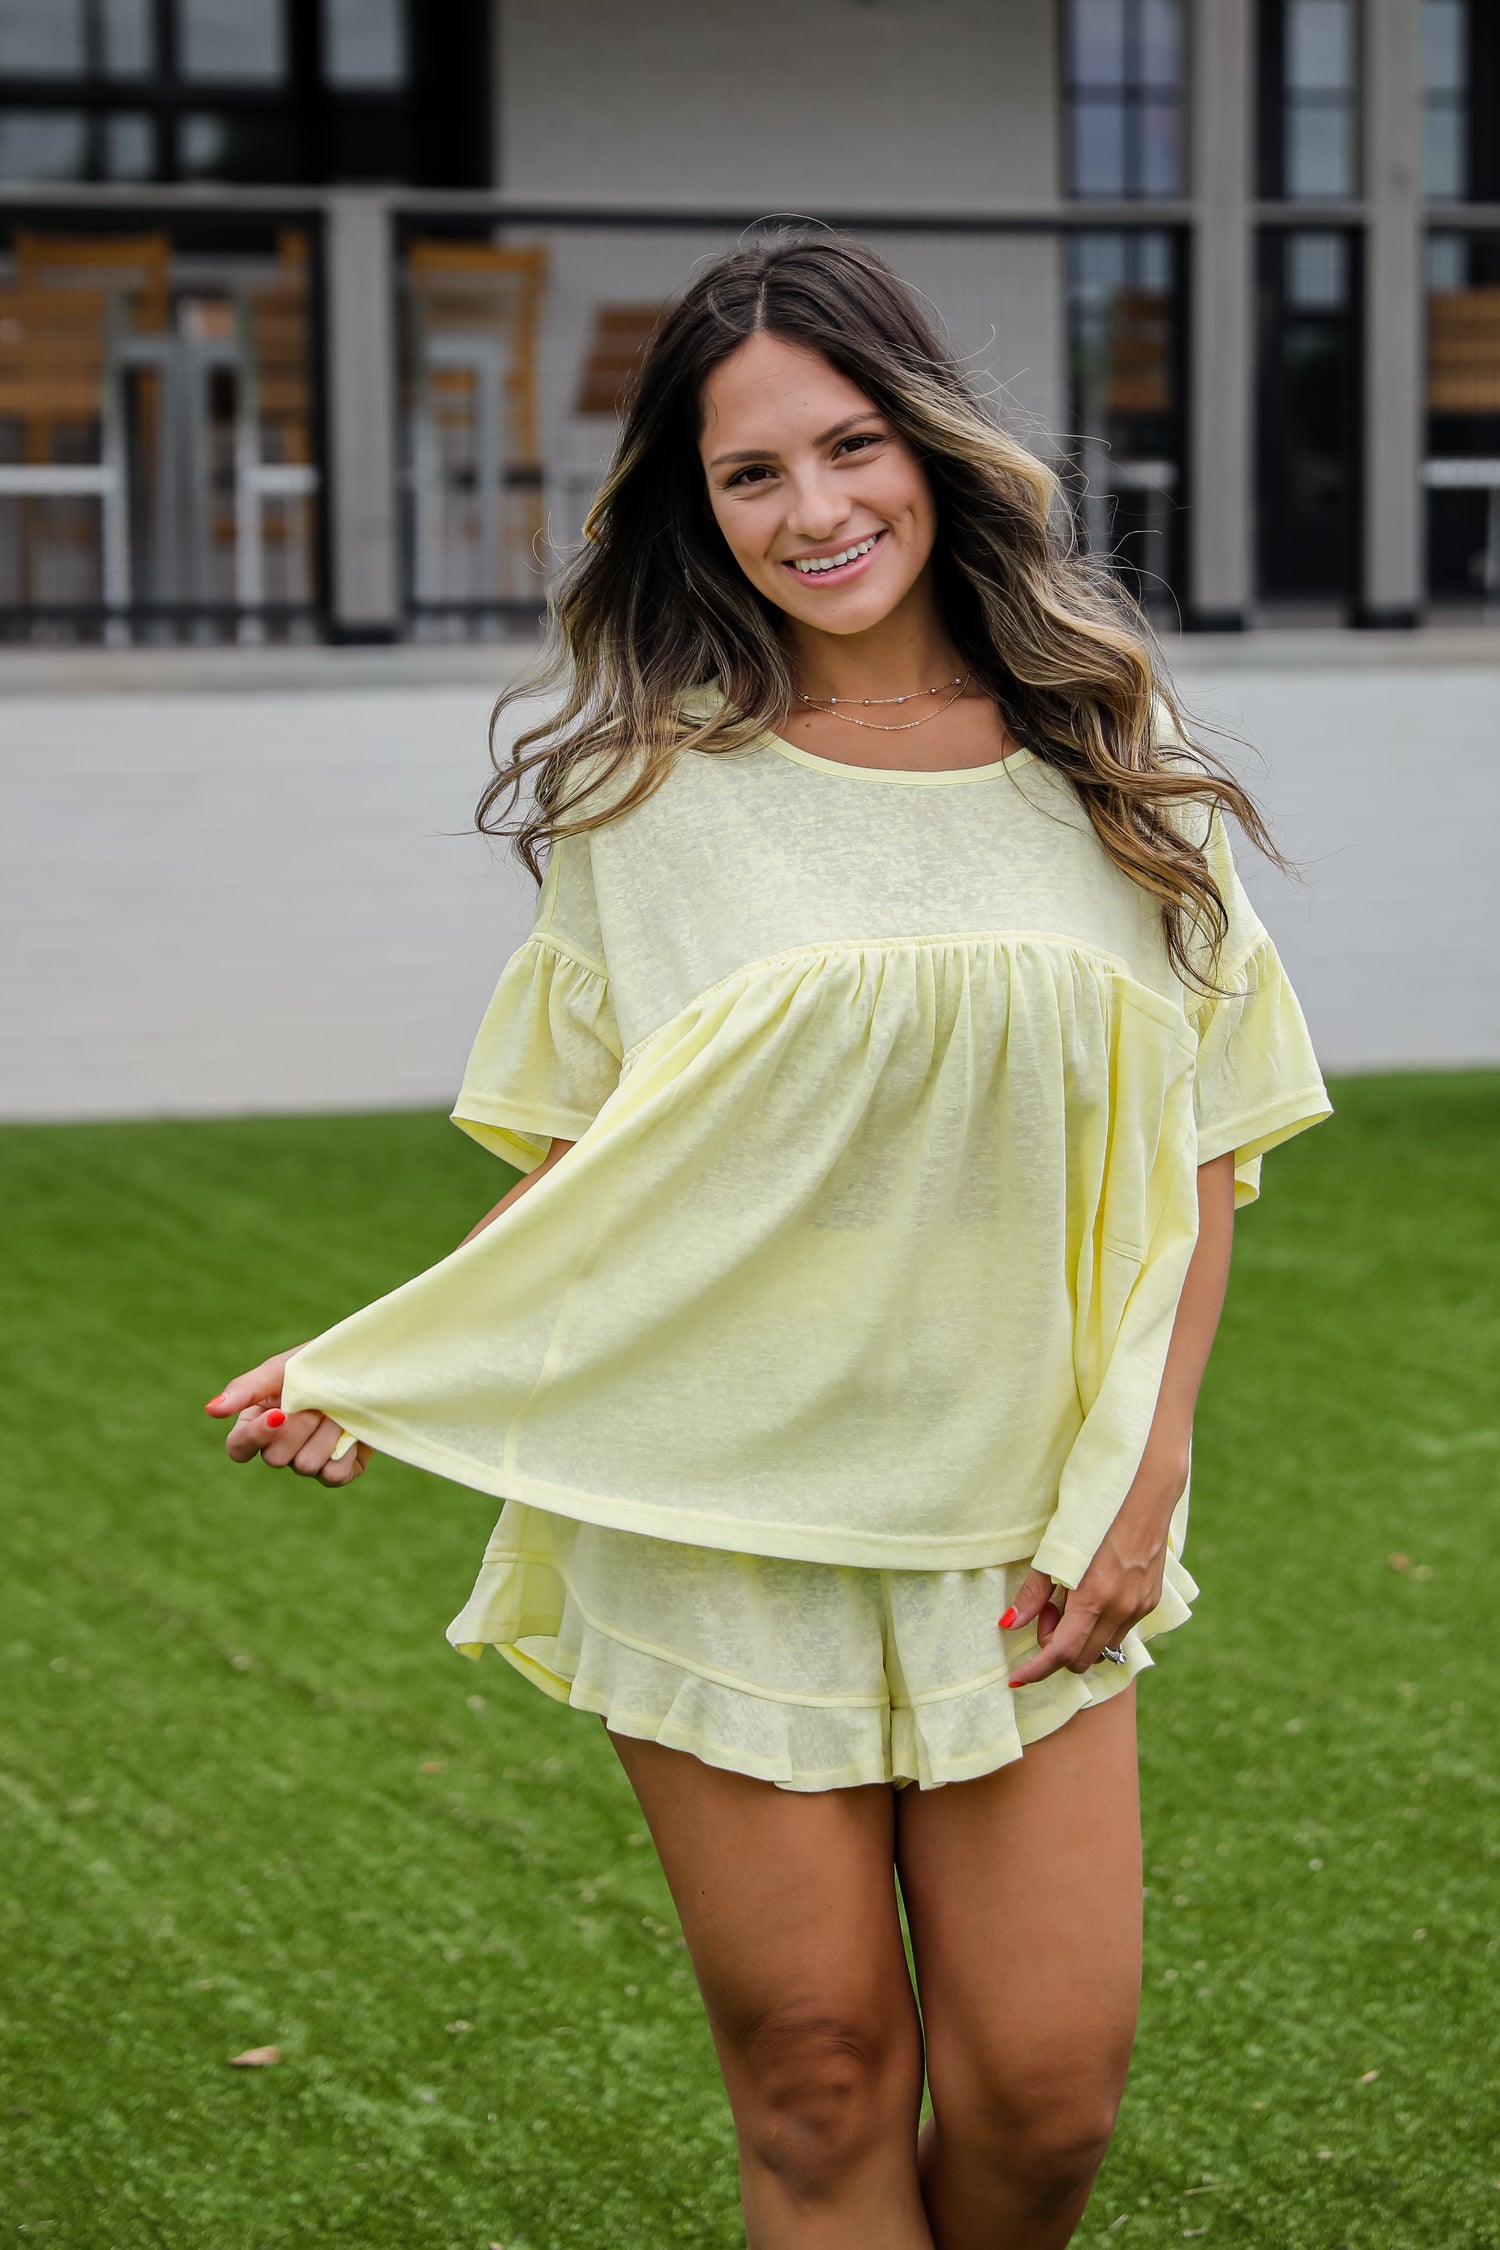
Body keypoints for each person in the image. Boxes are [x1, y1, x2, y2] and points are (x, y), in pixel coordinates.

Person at [206, 234, 1331, 2250]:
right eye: (751, 474)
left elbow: (1202, 1150)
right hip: (720, 1522)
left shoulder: (1111, 758)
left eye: (851, 444)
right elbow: (601, 1166)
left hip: (1020, 1525)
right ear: (696, 507)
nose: (815, 509)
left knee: (1047, 2100)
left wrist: (1145, 1480)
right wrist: (379, 1359)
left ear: (933, 446)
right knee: (817, 2085)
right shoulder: (650, 799)